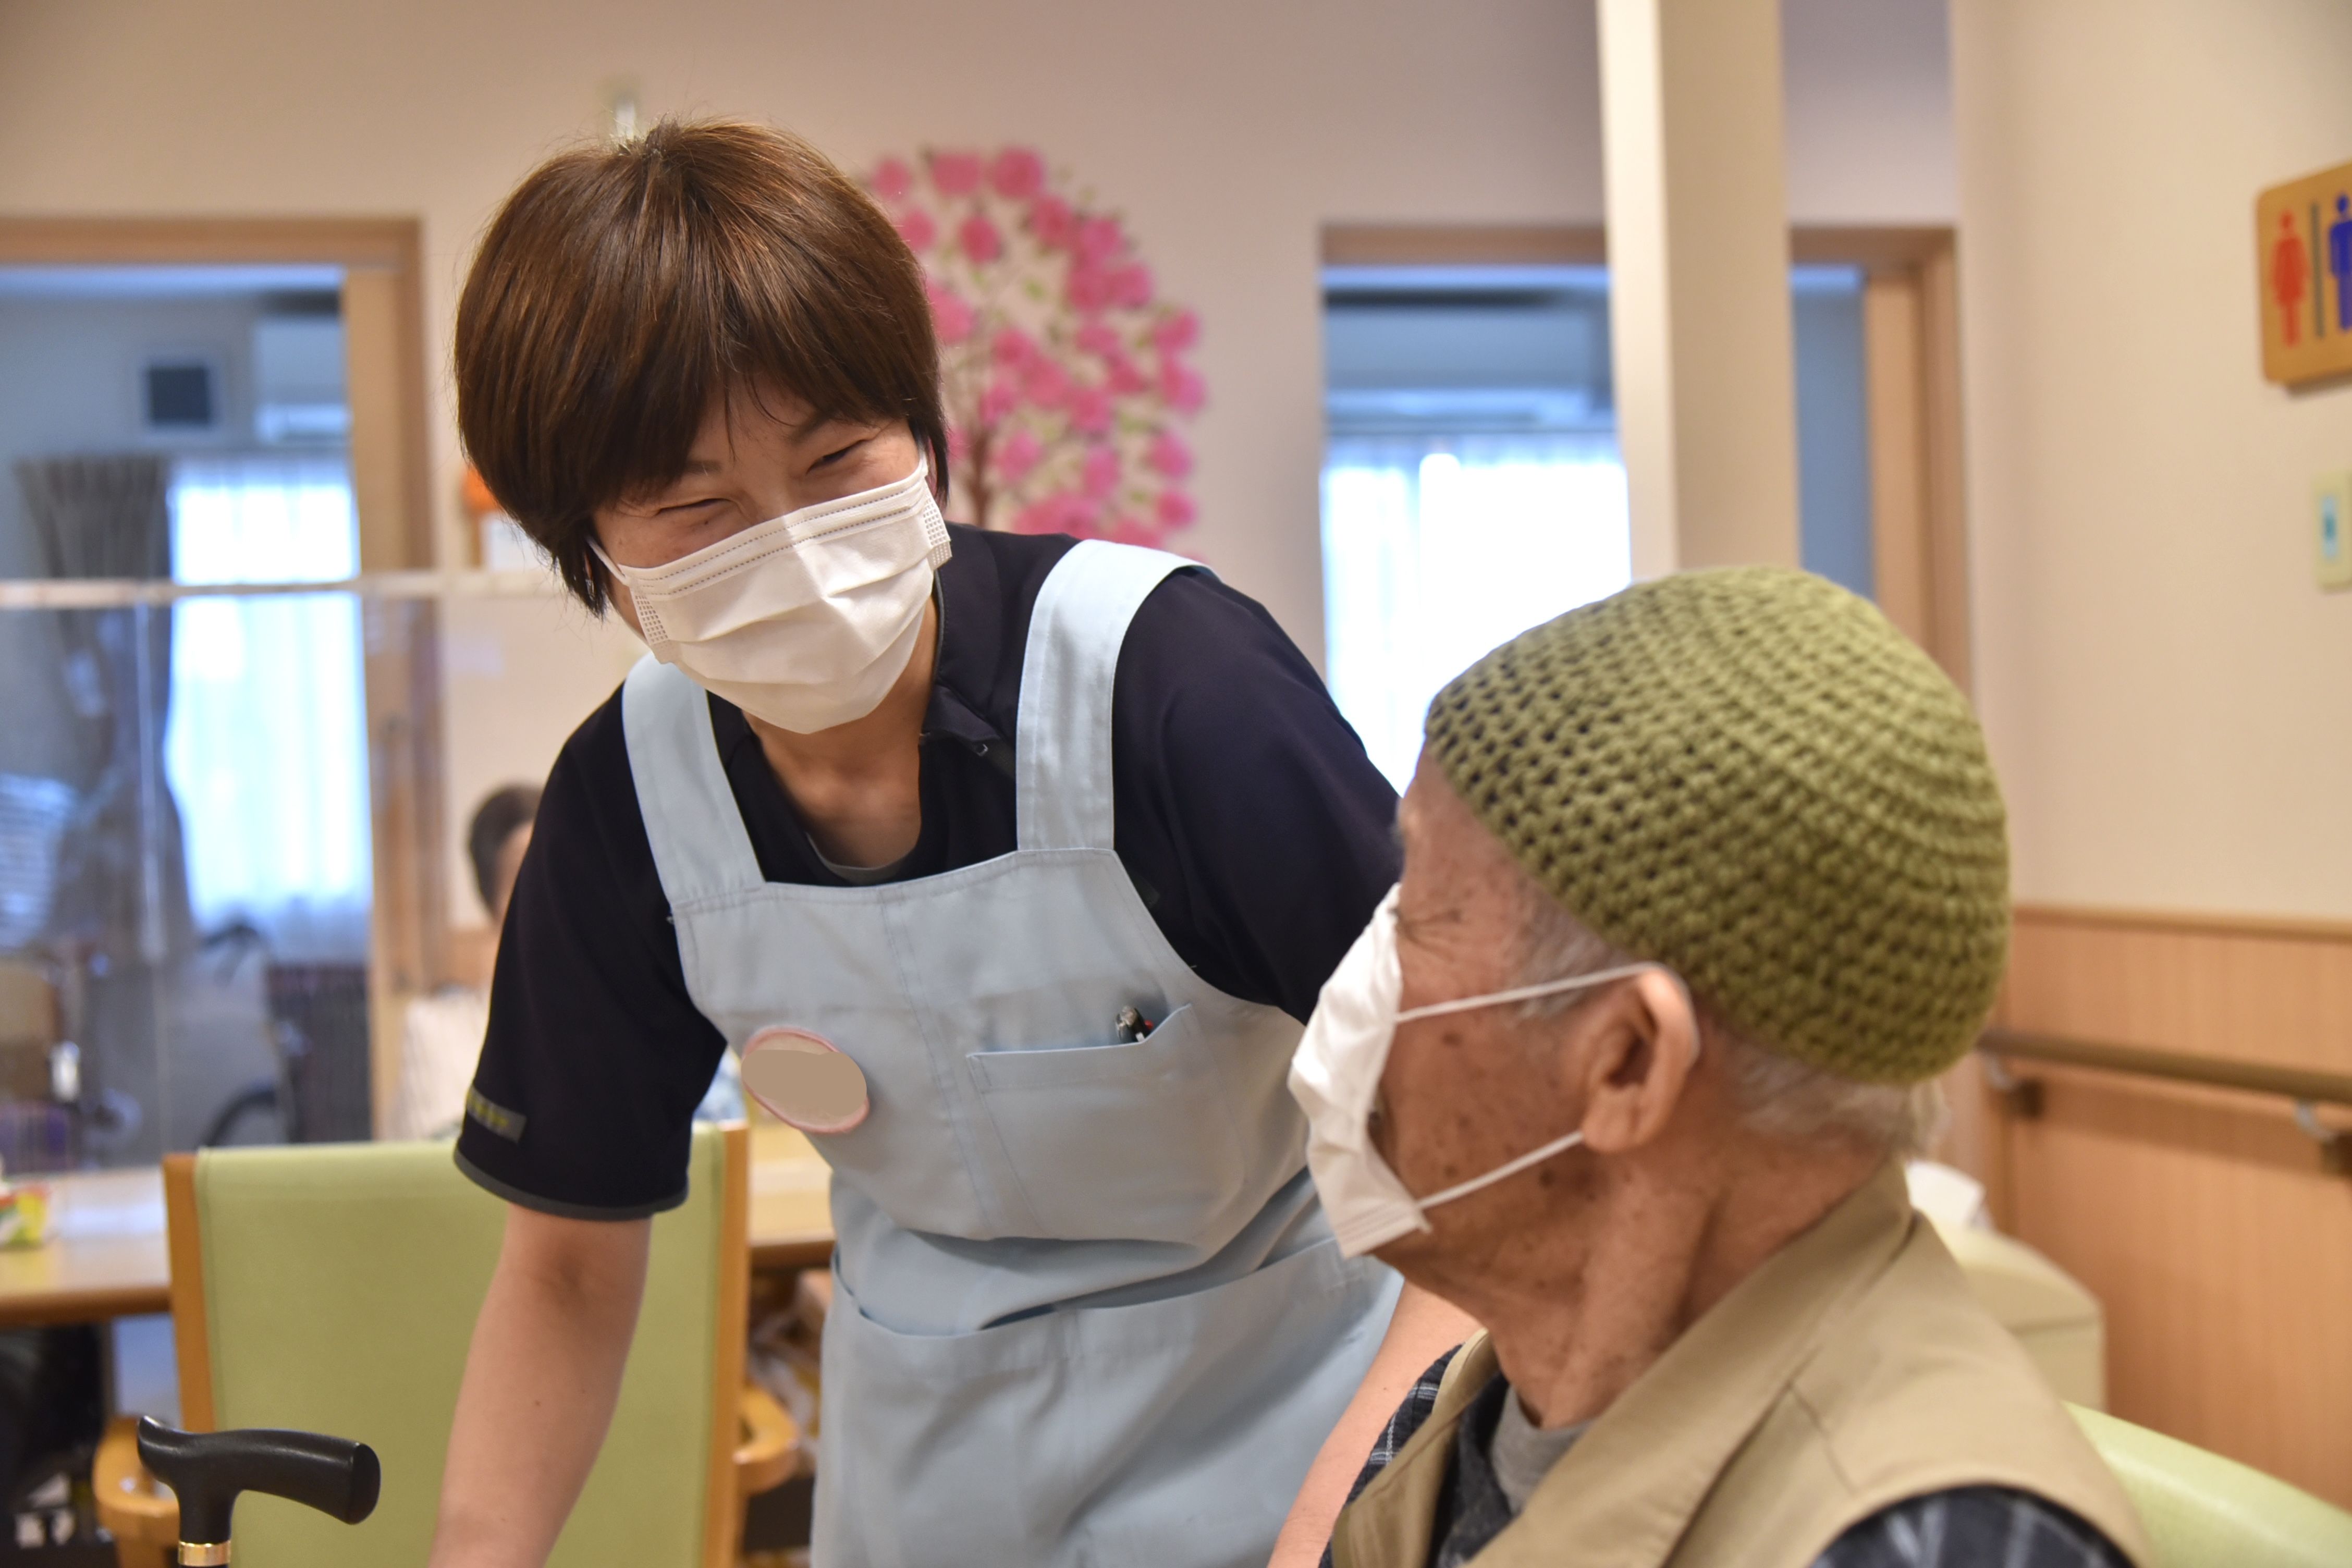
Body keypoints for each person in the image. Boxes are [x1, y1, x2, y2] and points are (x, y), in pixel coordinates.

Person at [428, 119, 1470, 1568]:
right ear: (587, 551)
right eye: (697, 509)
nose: (790, 545)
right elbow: (564, 1266)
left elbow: (1489, 1163)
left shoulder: (1174, 691)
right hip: (929, 1482)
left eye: (838, 456)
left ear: (924, 435)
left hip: (1296, 1439)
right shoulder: (628, 803)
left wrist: (1338, 1534)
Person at [1290, 568, 2152, 1568]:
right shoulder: (1479, 1410)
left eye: (1426, 906)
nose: (1364, 972)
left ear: (1628, 1066)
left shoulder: (1927, 1542)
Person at [383, 785, 536, 1142]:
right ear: (494, 903)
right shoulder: (435, 1029)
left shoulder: (606, 1022)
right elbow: (457, 1154)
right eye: (525, 876)